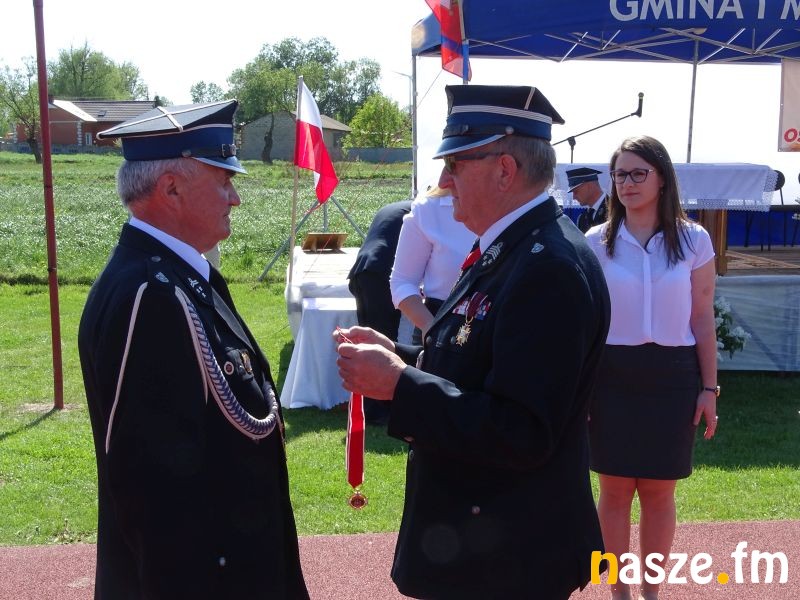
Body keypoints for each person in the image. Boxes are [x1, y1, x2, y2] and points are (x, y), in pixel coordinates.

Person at [334, 84, 611, 600]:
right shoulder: (513, 248)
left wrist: (400, 385)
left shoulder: (546, 268)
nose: (444, 181)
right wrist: (402, 359)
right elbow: (476, 360)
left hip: (507, 559)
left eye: (456, 164)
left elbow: (522, 430)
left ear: (505, 170)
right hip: (489, 548)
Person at [78, 100, 309, 600]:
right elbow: (153, 494)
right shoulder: (151, 296)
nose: (235, 198)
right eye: (224, 181)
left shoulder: (179, 276)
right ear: (171, 189)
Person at [584, 135, 718, 600]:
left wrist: (709, 389)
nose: (627, 183)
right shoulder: (595, 243)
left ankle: (651, 593)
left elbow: (702, 317)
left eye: (638, 173)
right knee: (614, 491)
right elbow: (585, 325)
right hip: (610, 376)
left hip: (673, 376)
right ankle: (618, 593)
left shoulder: (695, 239)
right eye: (620, 174)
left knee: (660, 493)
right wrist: (581, 390)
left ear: (662, 178)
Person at [347, 198, 412, 424]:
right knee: (382, 341)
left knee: (369, 338)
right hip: (379, 275)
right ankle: (377, 408)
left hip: (364, 270)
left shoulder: (398, 207)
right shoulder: (419, 211)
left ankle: (370, 403)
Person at [390, 184, 474, 344]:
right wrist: (429, 326)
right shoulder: (428, 208)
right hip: (438, 323)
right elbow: (402, 282)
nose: (444, 179)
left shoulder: (517, 203)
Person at [567, 166, 608, 233]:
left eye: (576, 191)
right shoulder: (582, 219)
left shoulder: (615, 210)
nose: (574, 197)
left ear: (589, 186)